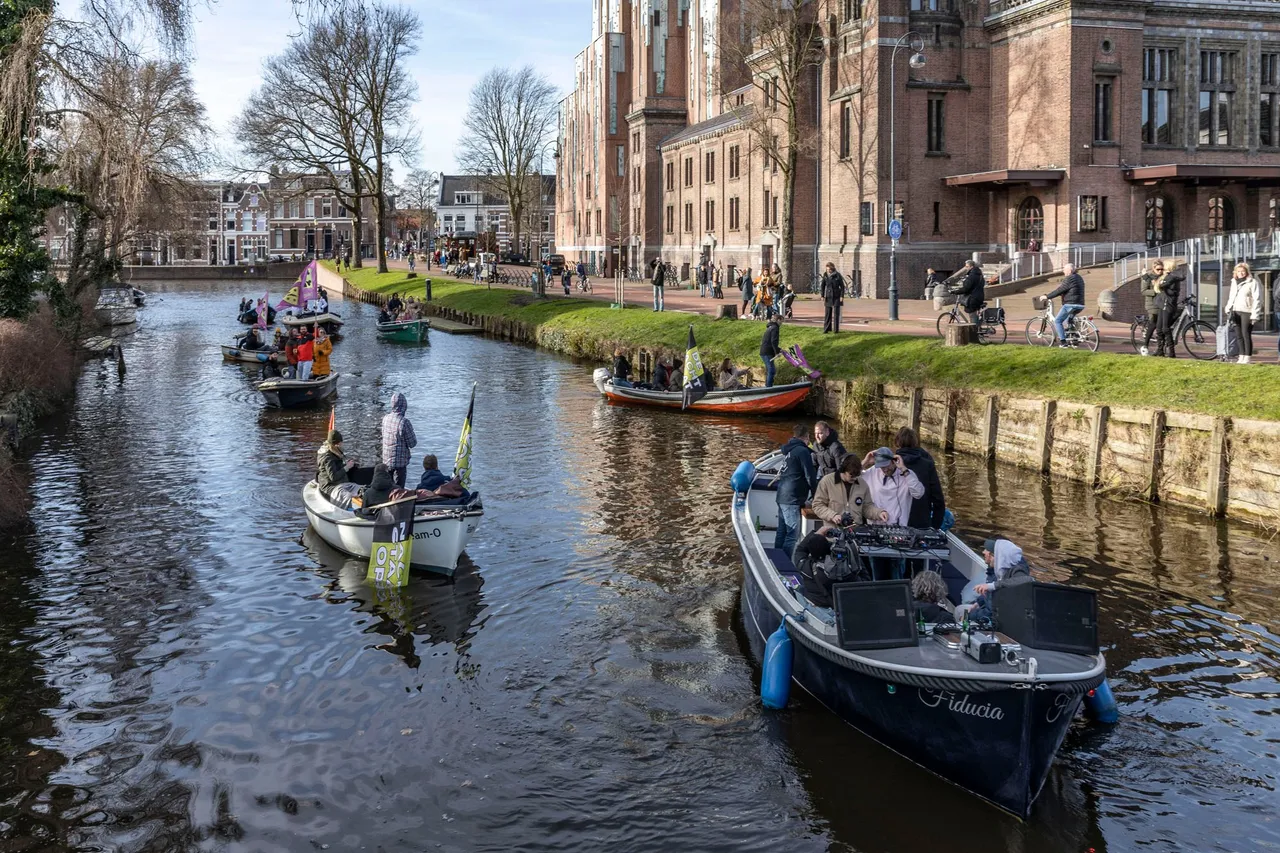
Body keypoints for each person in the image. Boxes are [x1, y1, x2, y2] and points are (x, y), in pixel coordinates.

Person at [861, 446, 924, 579]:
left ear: (893, 461)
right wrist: (865, 462)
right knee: (877, 574)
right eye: (881, 467)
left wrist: (904, 469)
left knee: (896, 576)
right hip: (876, 530)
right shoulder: (872, 472)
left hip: (899, 532)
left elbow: (919, 493)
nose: (885, 470)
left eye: (887, 466)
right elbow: (850, 477)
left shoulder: (906, 474)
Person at [774, 424, 818, 558]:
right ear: (807, 437)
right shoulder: (803, 451)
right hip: (792, 498)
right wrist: (816, 495)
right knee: (792, 534)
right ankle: (786, 561)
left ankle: (777, 559)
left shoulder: (790, 451)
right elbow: (810, 476)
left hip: (782, 496)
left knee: (782, 531)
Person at [967, 538, 1033, 623]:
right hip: (989, 613)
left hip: (995, 620)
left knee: (960, 612)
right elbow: (991, 596)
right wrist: (978, 603)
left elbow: (1027, 580)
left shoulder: (1017, 571)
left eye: (986, 551)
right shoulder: (1000, 571)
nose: (983, 552)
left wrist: (969, 617)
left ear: (995, 556)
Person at [811, 454, 886, 528]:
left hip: (855, 533)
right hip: (833, 532)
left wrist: (879, 513)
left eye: (857, 474)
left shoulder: (863, 484)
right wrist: (832, 515)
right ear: (843, 470)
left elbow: (866, 507)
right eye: (851, 475)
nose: (855, 478)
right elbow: (817, 505)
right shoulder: (826, 481)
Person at [893, 427, 945, 529]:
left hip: (895, 522)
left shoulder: (893, 463)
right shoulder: (928, 464)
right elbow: (938, 499)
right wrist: (935, 527)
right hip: (921, 521)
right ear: (915, 442)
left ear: (897, 442)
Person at [316, 430, 369, 508]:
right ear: (336, 444)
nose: (342, 444)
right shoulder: (327, 458)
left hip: (344, 483)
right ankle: (355, 511)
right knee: (349, 497)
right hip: (331, 487)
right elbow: (333, 477)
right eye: (341, 443)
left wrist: (349, 465)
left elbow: (338, 468)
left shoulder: (335, 452)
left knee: (363, 490)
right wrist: (347, 467)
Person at [1224, 262, 1262, 364]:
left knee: (1246, 334)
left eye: (1243, 271)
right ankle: (1241, 356)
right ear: (1235, 272)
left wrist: (1255, 314)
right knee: (1238, 335)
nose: (1241, 273)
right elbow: (1231, 296)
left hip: (1247, 311)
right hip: (1235, 311)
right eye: (1239, 271)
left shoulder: (1252, 282)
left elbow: (1257, 299)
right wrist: (1228, 308)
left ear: (1246, 272)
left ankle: (1247, 357)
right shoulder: (1234, 282)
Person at [380, 391, 417, 488]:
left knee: (388, 488)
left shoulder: (385, 419)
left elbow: (383, 435)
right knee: (399, 490)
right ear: (404, 406)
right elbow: (412, 443)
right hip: (399, 465)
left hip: (386, 461)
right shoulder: (404, 422)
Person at [1046, 263, 1086, 346]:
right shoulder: (1079, 278)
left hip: (1071, 304)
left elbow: (1059, 290)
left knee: (1058, 321)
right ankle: (1074, 338)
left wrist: (1047, 296)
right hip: (1080, 304)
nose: (1063, 271)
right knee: (1069, 320)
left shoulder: (1069, 278)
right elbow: (1072, 289)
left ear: (1070, 271)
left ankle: (1063, 343)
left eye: (1064, 269)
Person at [1154, 261, 1185, 358]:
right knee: (1159, 328)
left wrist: (1159, 281)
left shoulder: (1171, 277)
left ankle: (1171, 352)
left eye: (1164, 267)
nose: (1162, 269)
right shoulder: (1172, 276)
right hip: (1164, 303)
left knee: (1165, 328)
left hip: (1168, 305)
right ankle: (1160, 350)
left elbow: (1160, 286)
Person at [1139, 260, 1165, 356]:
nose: (1160, 271)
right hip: (1152, 305)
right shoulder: (1148, 277)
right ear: (1153, 269)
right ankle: (1145, 345)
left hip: (1161, 304)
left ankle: (1160, 348)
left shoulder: (1163, 277)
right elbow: (1143, 291)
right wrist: (1155, 291)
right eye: (1158, 269)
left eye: (1162, 269)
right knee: (1153, 324)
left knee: (1162, 326)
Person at [953, 259, 986, 326]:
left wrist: (955, 292)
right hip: (980, 297)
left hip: (973, 298)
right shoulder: (980, 275)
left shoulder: (971, 276)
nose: (966, 268)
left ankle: (975, 332)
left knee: (972, 315)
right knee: (974, 315)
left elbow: (966, 289)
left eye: (967, 266)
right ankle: (978, 328)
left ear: (971, 267)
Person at [820, 262, 845, 333]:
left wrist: (841, 296)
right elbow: (822, 286)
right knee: (828, 313)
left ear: (832, 269)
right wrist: (822, 295)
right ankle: (826, 329)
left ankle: (836, 330)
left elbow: (842, 286)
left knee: (836, 313)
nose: (828, 271)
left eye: (829, 269)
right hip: (828, 296)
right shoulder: (825, 275)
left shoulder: (837, 275)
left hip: (836, 296)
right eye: (827, 269)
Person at [759, 315, 781, 387]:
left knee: (769, 370)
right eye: (782, 321)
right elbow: (773, 341)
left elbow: (769, 341)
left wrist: (779, 349)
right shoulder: (775, 328)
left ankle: (767, 385)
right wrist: (777, 352)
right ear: (778, 320)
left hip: (765, 351)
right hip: (767, 352)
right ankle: (768, 388)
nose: (782, 323)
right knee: (772, 370)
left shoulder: (770, 327)